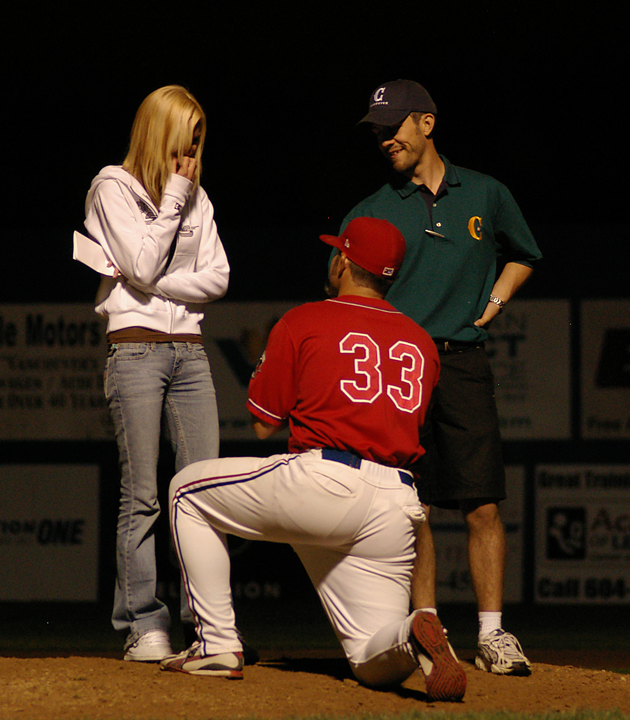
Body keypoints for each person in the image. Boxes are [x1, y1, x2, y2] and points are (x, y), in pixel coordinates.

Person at [159, 217, 467, 703]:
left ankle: (216, 644)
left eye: (336, 252)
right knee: (371, 663)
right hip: (395, 504)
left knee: (186, 491)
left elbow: (264, 422)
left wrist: (267, 356)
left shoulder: (305, 320)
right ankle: (413, 630)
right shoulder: (423, 344)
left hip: (324, 480)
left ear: (344, 260)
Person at [340, 79, 542, 676]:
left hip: (462, 360)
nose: (384, 139)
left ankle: (493, 634)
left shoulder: (485, 192)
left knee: (481, 504)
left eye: (393, 125)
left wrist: (498, 302)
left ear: (426, 124)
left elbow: (524, 253)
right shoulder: (371, 209)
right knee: (414, 507)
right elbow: (344, 290)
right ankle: (429, 630)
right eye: (376, 130)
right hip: (399, 366)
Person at [81, 85, 229, 661]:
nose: (192, 150)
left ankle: (209, 626)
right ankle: (144, 624)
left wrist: (152, 285)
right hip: (135, 350)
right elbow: (140, 260)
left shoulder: (201, 198)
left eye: (199, 139)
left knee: (201, 494)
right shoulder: (109, 185)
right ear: (159, 130)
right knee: (142, 493)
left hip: (190, 352)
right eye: (186, 137)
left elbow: (218, 278)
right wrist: (171, 198)